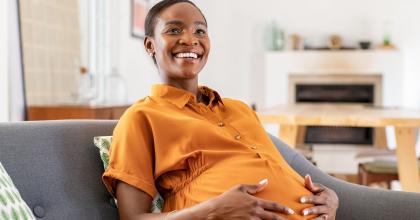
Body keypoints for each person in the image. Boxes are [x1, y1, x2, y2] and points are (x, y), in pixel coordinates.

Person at [103, 0, 339, 219]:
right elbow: (133, 217)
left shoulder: (240, 109)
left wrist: (330, 197)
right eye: (174, 30)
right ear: (149, 45)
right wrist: (213, 209)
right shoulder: (141, 117)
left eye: (200, 31)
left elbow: (281, 171)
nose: (190, 39)